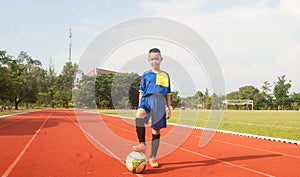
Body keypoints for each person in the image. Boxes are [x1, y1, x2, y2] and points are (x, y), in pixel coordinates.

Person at [133, 48, 171, 168]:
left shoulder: (166, 76)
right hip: (146, 100)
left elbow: (168, 94)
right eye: (152, 59)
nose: (155, 61)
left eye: (157, 58)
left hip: (159, 102)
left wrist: (168, 107)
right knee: (139, 114)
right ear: (149, 60)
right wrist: (140, 104)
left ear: (161, 59)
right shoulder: (145, 75)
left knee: (156, 130)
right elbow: (141, 91)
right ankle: (142, 144)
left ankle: (153, 157)